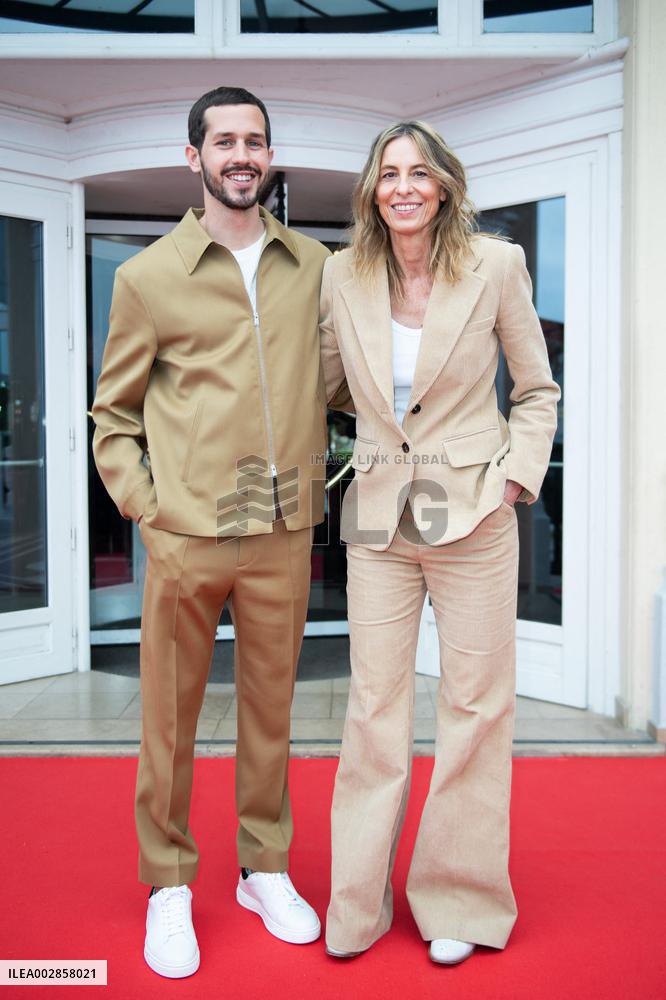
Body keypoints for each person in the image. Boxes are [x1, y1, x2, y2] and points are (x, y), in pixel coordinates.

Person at [92, 86, 342, 978]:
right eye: (225, 141)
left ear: (270, 156)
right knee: (169, 720)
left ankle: (262, 869)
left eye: (256, 140)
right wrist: (146, 507)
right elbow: (113, 416)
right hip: (187, 532)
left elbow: (338, 380)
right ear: (193, 156)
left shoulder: (315, 265)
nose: (243, 155)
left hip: (282, 525)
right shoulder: (146, 277)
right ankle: (168, 882)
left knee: (272, 715)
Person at [320, 121, 560, 965]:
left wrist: (515, 479)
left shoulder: (496, 264)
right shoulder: (341, 274)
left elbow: (536, 389)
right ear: (372, 191)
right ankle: (356, 907)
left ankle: (459, 899)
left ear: (445, 185)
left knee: (474, 708)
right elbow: (325, 384)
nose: (404, 187)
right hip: (380, 519)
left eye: (419, 172)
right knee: (373, 711)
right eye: (389, 174)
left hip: (475, 515)